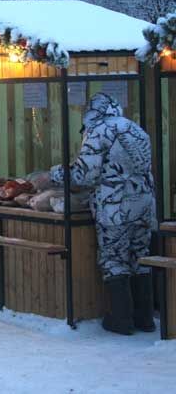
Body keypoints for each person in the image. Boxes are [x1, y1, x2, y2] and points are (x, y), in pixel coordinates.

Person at [50, 92, 157, 335]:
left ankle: (120, 320)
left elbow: (84, 175)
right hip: (145, 204)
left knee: (114, 259)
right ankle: (145, 318)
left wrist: (55, 174)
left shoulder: (99, 131)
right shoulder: (135, 128)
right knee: (140, 256)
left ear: (93, 111)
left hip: (115, 206)